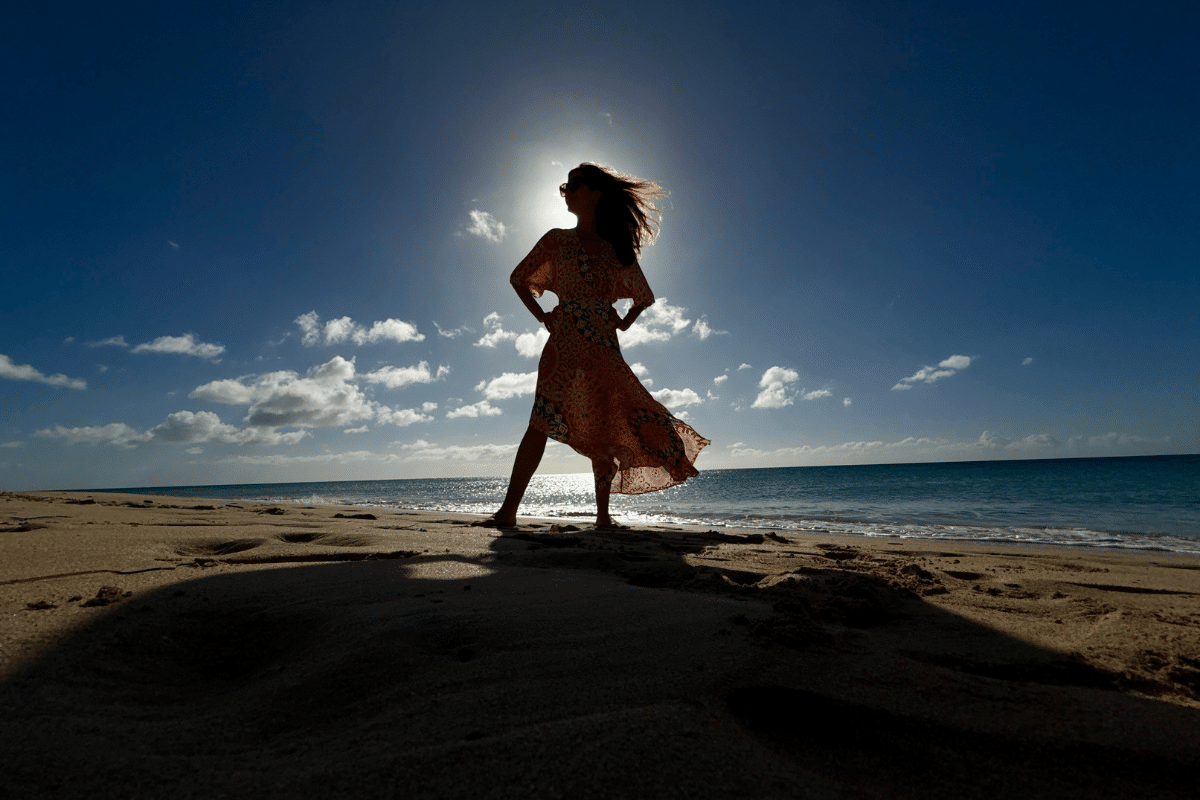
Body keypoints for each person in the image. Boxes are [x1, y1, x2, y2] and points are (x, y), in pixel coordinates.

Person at [476, 163, 709, 529]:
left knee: (604, 426)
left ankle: (602, 516)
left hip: (603, 348)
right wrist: (543, 316)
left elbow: (643, 297)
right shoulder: (556, 240)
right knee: (540, 421)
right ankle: (508, 512)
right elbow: (519, 278)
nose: (567, 190)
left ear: (596, 193)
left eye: (575, 184)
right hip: (564, 344)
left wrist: (623, 321)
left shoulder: (615, 252)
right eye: (564, 185)